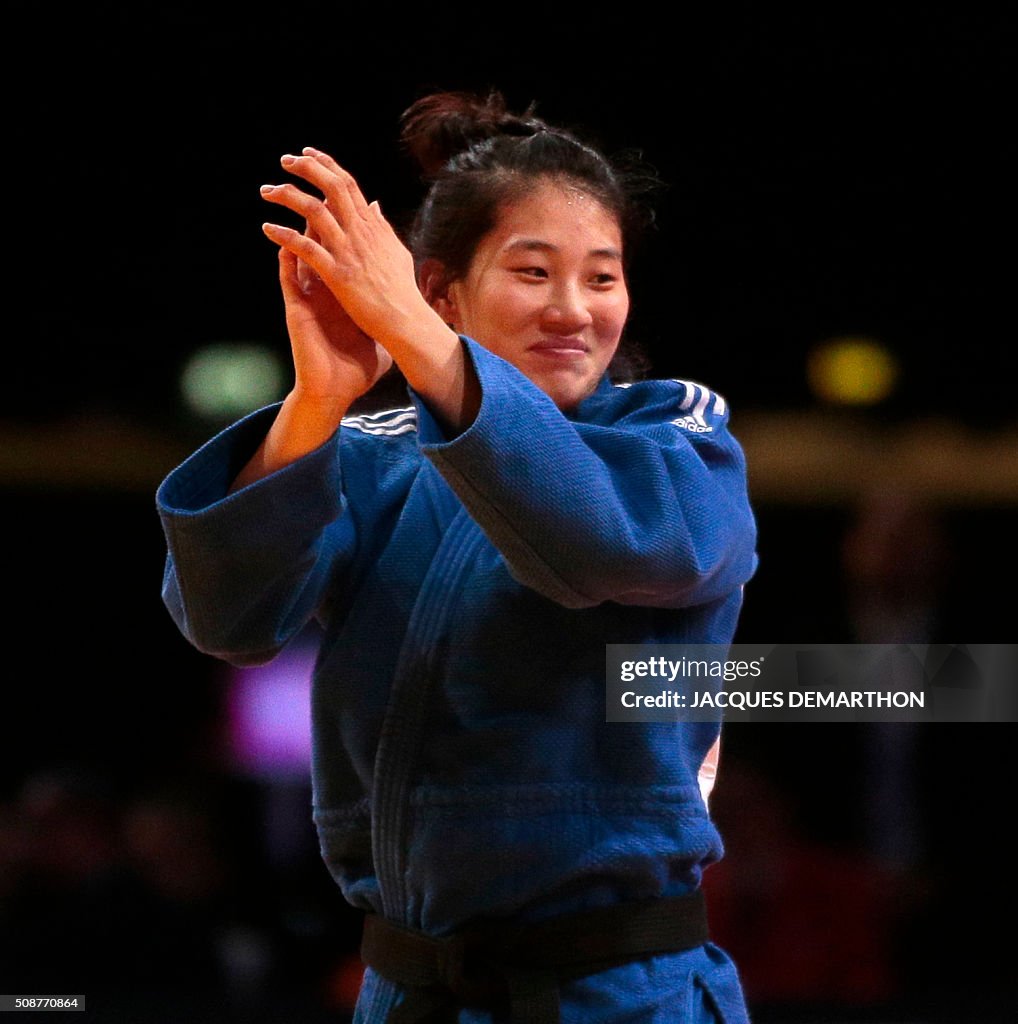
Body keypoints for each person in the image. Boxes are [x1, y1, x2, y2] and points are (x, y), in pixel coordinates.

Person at [157, 90, 759, 1023]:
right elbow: (226, 622)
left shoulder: (676, 434)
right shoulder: (377, 457)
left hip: (617, 992)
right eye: (533, 272)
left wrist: (418, 342)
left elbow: (607, 544)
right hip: (409, 991)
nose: (574, 310)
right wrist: (319, 398)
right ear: (443, 291)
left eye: (603, 277)